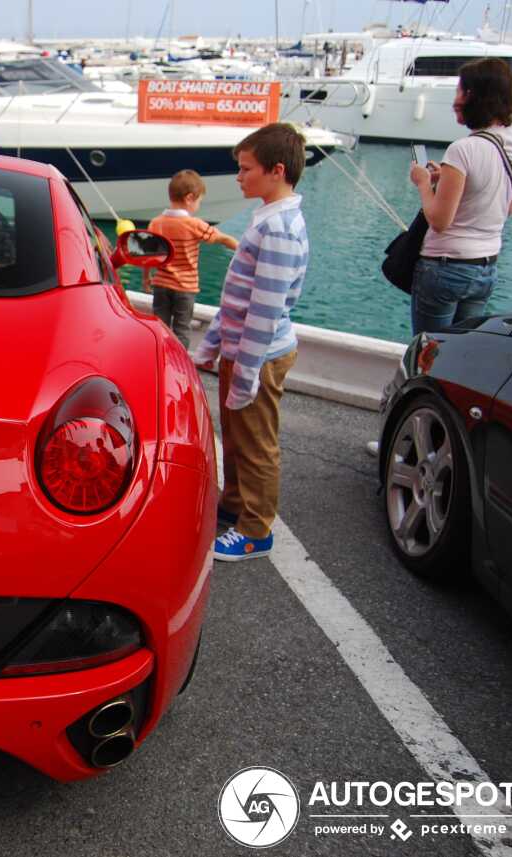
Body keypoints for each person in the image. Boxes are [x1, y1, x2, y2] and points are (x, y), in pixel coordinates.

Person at [193, 123, 310, 562]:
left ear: (276, 170)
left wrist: (244, 373)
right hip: (242, 352)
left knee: (257, 444)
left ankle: (256, 530)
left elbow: (264, 309)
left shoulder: (277, 229)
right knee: (239, 436)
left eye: (246, 169)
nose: (239, 177)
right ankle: (236, 505)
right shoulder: (269, 220)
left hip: (256, 355)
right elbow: (239, 299)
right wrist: (212, 347)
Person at [408, 57, 512, 335]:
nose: (455, 100)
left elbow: (439, 220)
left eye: (461, 91)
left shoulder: (463, 149)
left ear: (475, 96)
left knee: (428, 353)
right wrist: (448, 179)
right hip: (485, 268)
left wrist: (424, 183)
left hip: (444, 267)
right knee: (458, 354)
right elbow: (510, 206)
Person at [142, 169, 239, 347]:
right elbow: (222, 239)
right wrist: (243, 250)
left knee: (159, 326)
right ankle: (178, 367)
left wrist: (146, 278)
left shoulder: (156, 223)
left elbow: (149, 255)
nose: (199, 206)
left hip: (161, 285)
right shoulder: (194, 225)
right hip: (185, 288)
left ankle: (158, 358)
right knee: (181, 329)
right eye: (199, 201)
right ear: (189, 198)